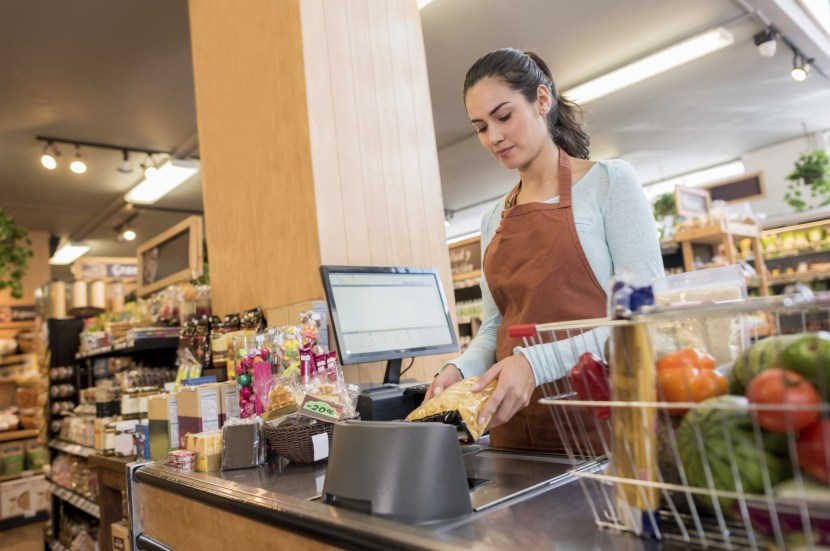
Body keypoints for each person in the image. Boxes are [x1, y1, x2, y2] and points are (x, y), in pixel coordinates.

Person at [425, 48, 664, 436]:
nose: (494, 137)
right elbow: (494, 327)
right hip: (516, 429)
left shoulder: (609, 184)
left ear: (541, 100)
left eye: (503, 116)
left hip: (605, 427)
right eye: (481, 127)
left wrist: (536, 364)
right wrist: (459, 369)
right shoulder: (493, 220)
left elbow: (642, 319)